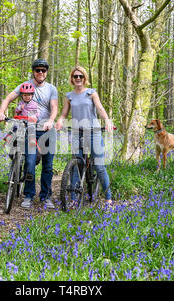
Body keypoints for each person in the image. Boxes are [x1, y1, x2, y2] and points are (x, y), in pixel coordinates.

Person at [0, 58, 58, 209]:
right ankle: (28, 195)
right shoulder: (25, 85)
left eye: (43, 70)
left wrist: (51, 120)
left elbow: (54, 107)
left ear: (46, 72)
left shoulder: (51, 89)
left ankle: (46, 196)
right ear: (33, 72)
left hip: (47, 130)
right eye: (38, 70)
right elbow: (9, 98)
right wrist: (1, 112)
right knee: (30, 162)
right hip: (30, 130)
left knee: (48, 166)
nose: (41, 73)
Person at [55, 66, 114, 206]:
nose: (78, 79)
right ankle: (74, 199)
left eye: (80, 76)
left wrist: (107, 120)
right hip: (76, 132)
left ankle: (108, 199)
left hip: (93, 131)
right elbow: (64, 114)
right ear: (72, 78)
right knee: (76, 165)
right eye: (75, 76)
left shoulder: (91, 93)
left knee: (99, 166)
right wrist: (59, 121)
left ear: (84, 78)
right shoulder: (69, 96)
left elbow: (100, 108)